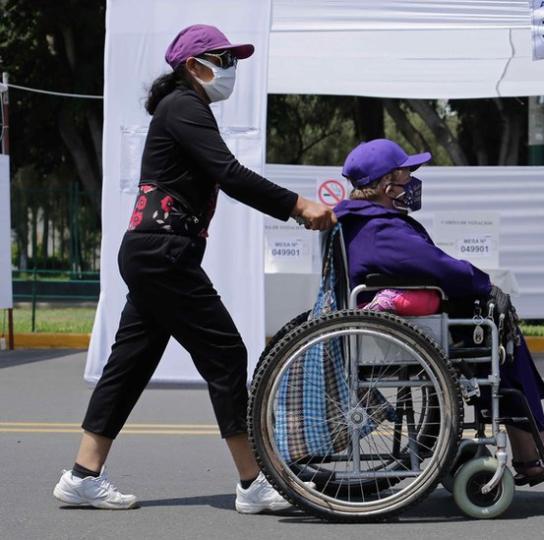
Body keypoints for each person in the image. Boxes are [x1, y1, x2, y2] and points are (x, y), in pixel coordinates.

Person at [53, 25, 335, 512]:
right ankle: (252, 484)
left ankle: (82, 475)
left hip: (153, 251)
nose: (231, 69)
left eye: (233, 60)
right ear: (192, 65)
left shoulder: (184, 108)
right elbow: (229, 173)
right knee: (226, 354)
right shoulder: (184, 106)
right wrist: (297, 205)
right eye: (222, 58)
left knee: (130, 363)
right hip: (163, 253)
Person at [333, 138, 544, 479]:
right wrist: (484, 284)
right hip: (403, 331)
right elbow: (440, 268)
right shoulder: (380, 228)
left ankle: (530, 446)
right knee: (498, 330)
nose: (412, 183)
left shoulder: (367, 221)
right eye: (406, 175)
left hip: (404, 323)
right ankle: (535, 448)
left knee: (498, 326)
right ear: (387, 185)